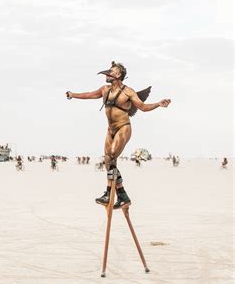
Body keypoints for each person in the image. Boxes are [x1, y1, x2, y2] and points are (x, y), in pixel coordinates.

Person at [66, 61, 171, 209]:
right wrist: (73, 94)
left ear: (118, 74)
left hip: (123, 127)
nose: (108, 73)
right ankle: (121, 194)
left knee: (113, 154)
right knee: (108, 161)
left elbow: (143, 107)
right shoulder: (104, 89)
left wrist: (158, 104)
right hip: (110, 130)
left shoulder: (128, 92)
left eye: (111, 71)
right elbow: (89, 94)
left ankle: (110, 193)